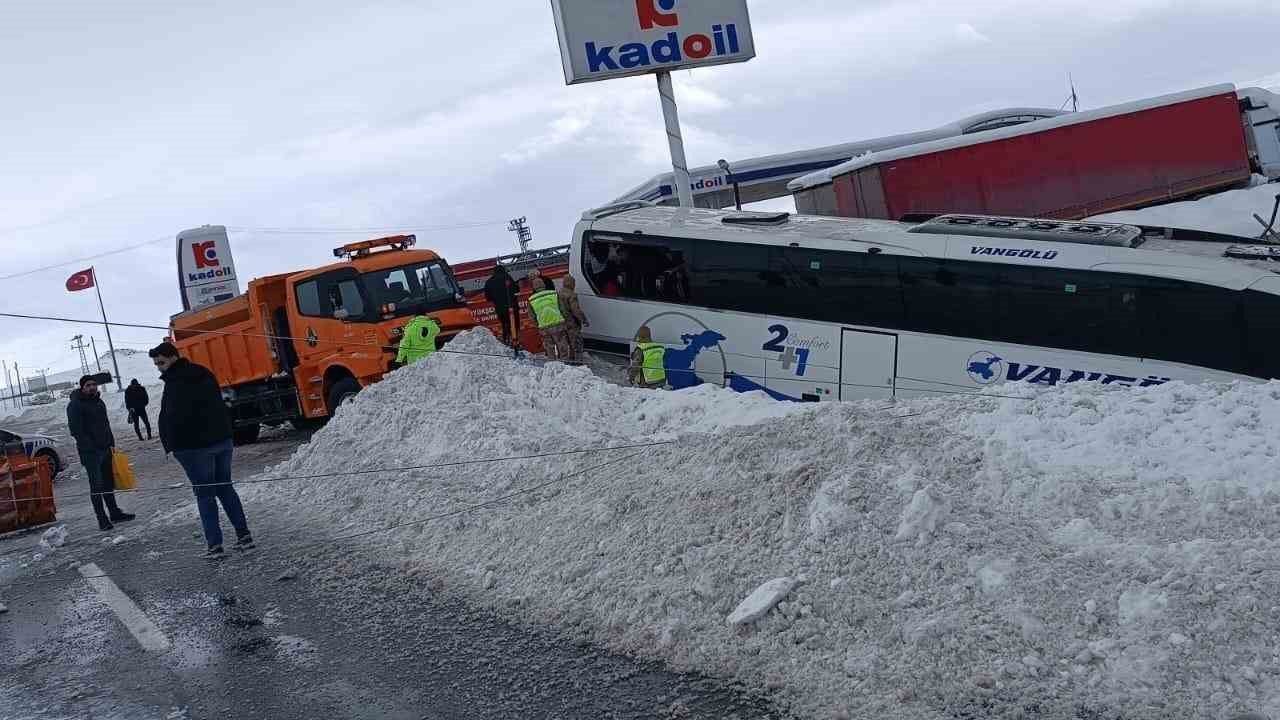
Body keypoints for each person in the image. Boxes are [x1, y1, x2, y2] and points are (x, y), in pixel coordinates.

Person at [151, 342, 253, 558]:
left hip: (194, 448)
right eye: (156, 364)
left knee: (205, 495)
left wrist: (173, 445)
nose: (159, 367)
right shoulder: (203, 372)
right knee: (225, 488)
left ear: (173, 357)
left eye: (161, 362)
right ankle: (244, 537)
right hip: (222, 440)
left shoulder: (176, 381)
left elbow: (174, 417)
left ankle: (215, 546)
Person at [66, 375, 135, 531]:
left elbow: (105, 424)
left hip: (106, 449)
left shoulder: (98, 401)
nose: (92, 387)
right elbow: (76, 430)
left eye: (94, 384)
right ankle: (102, 519)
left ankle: (114, 513)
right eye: (88, 385)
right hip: (91, 453)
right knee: (96, 486)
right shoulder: (75, 405)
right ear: (82, 387)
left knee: (107, 483)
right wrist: (90, 447)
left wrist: (111, 443)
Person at [526, 275, 569, 361]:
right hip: (558, 324)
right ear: (544, 285)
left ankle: (552, 363)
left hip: (544, 327)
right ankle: (565, 362)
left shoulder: (531, 300)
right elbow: (563, 309)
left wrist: (538, 325)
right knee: (562, 344)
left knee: (549, 347)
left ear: (534, 287)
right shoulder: (554, 294)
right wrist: (565, 319)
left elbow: (532, 317)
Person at [483, 265, 521, 349]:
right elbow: (516, 290)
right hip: (512, 306)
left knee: (505, 325)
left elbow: (488, 298)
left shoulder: (489, 282)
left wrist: (496, 297)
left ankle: (507, 341)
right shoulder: (508, 278)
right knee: (514, 325)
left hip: (500, 309)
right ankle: (515, 342)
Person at [557, 275, 589, 363]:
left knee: (568, 344)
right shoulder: (571, 295)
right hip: (572, 323)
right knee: (577, 344)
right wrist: (584, 320)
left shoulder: (558, 294)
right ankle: (578, 363)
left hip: (562, 323)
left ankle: (570, 361)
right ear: (572, 283)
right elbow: (576, 310)